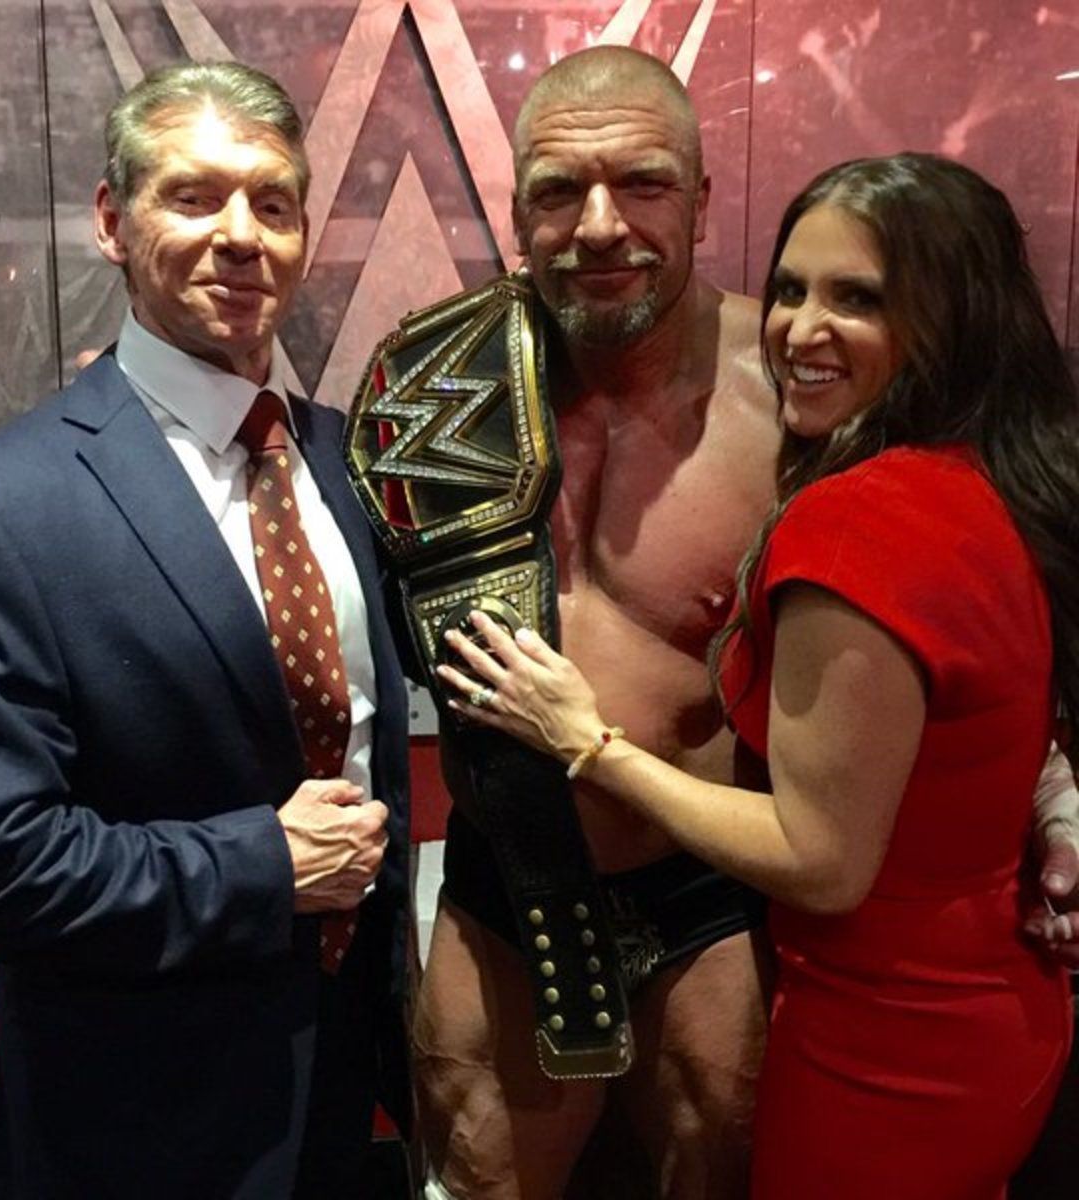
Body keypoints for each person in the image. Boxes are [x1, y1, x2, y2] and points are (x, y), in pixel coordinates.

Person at [437, 151, 1079, 1198]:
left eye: (857, 298)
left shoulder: (850, 497)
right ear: (516, 207)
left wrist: (585, 743)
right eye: (792, 289)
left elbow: (824, 852)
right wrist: (1049, 796)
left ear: (697, 199)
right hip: (970, 1007)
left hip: (863, 1012)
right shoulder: (980, 474)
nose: (802, 329)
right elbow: (962, 700)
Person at [0, 61, 410, 1200]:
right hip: (131, 1121)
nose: (240, 235)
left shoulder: (341, 460)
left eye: (273, 203)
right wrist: (258, 865)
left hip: (351, 1090)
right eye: (193, 196)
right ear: (113, 222)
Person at [404, 46, 781, 1200]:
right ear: (515, 207)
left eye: (645, 183)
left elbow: (926, 615)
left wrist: (1047, 801)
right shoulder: (430, 382)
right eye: (559, 191)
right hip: (504, 884)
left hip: (708, 891)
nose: (600, 226)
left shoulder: (792, 390)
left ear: (705, 197)